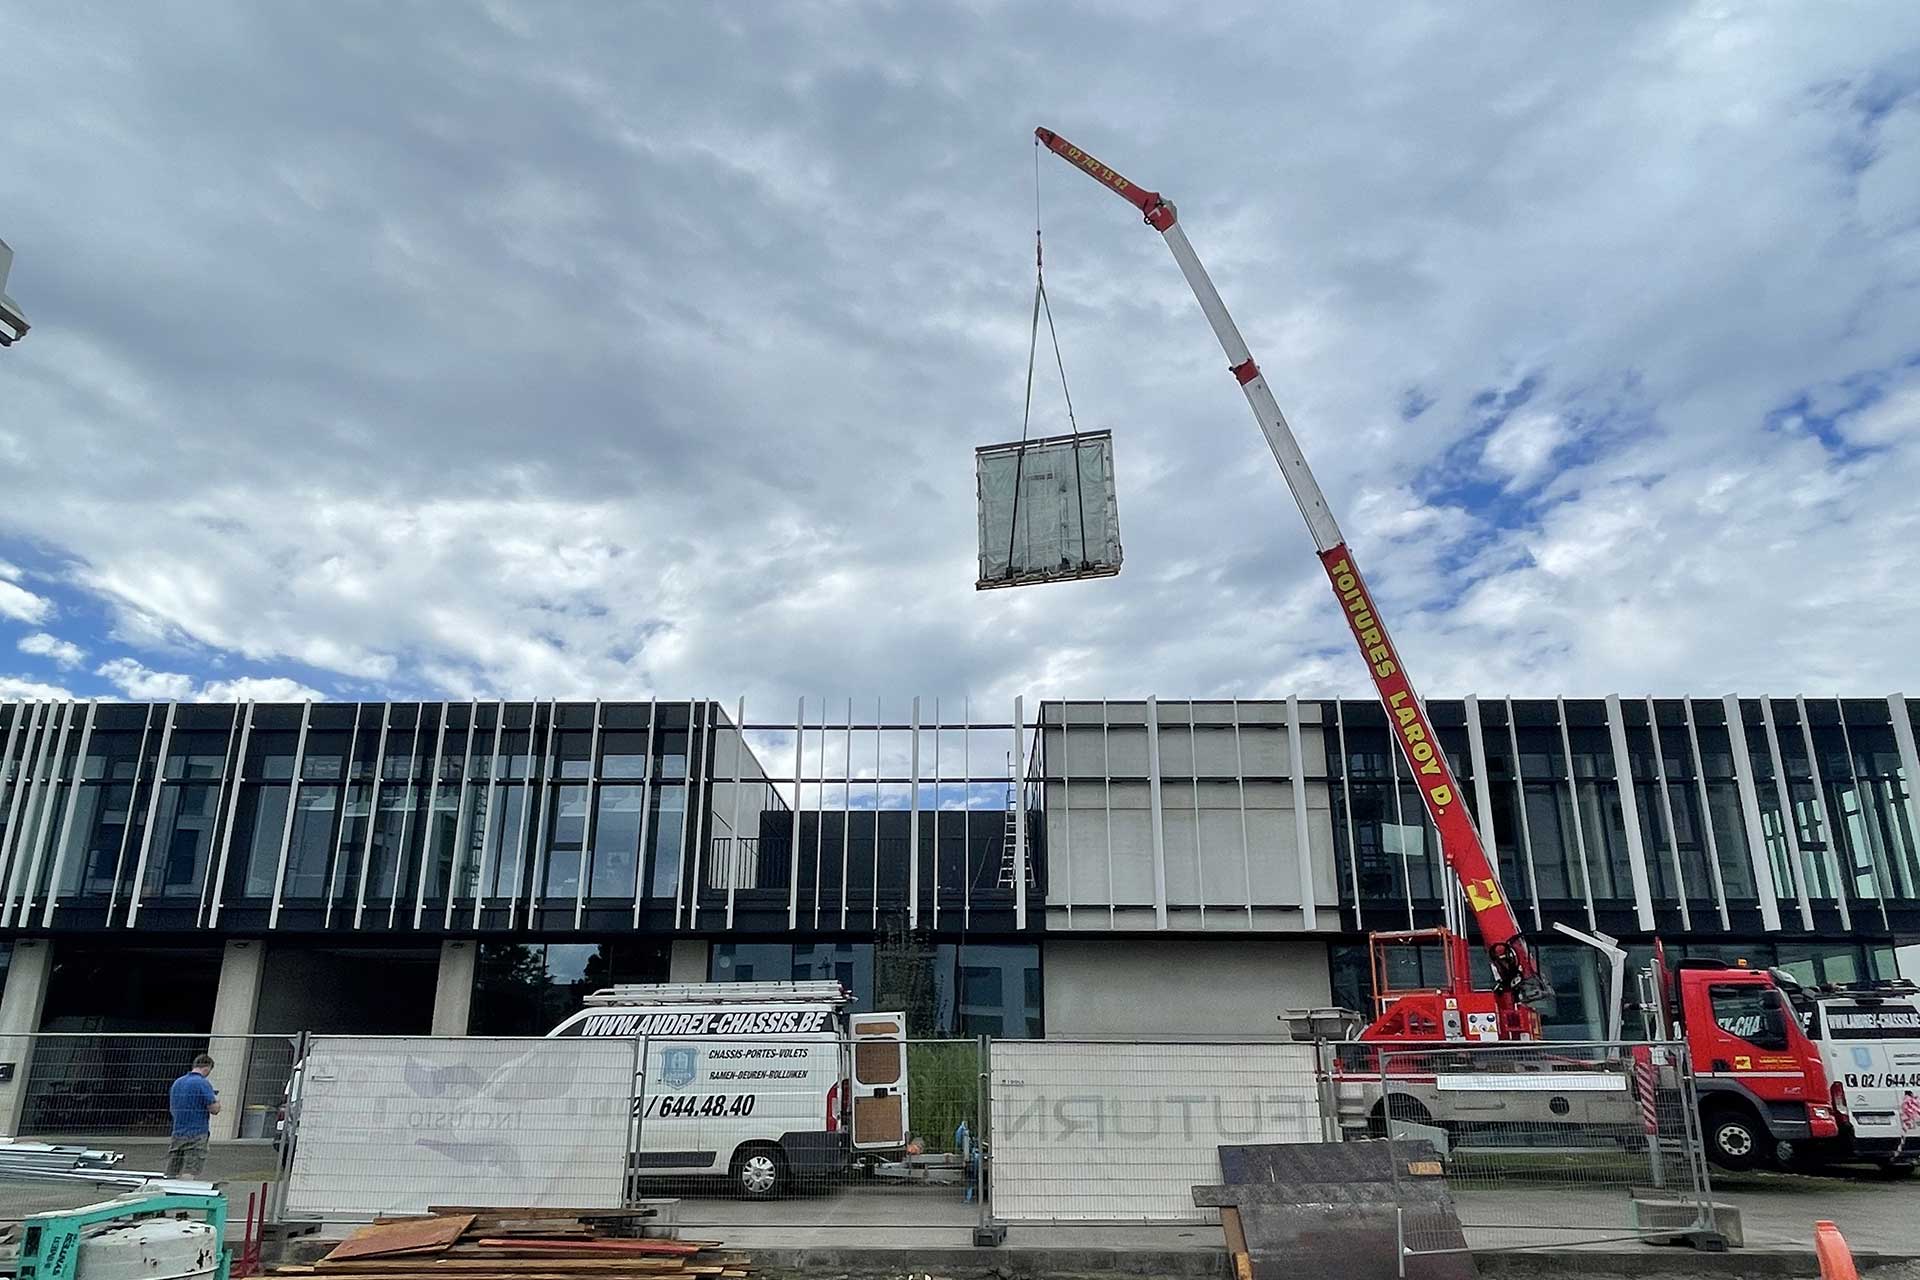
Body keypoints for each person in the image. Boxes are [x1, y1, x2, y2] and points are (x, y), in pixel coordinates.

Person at [166, 1053, 221, 1178]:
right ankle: (186, 1192)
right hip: (197, 1133)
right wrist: (217, 1101)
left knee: (172, 1170)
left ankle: (168, 1191)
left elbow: (172, 1108)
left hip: (178, 1132)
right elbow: (214, 1109)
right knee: (190, 1170)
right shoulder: (202, 1083)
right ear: (207, 1067)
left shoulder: (177, 1083)